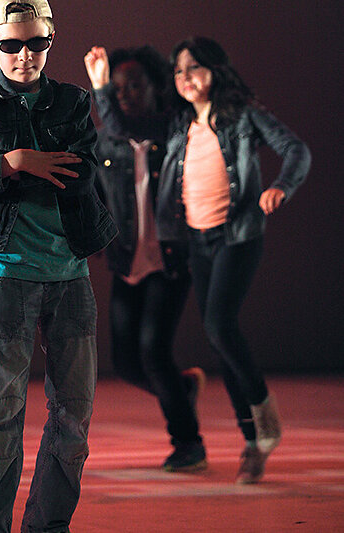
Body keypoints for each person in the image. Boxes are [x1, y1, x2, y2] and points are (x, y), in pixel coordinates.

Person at [85, 37, 311, 484]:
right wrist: (100, 87)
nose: (185, 78)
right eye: (179, 71)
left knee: (209, 332)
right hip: (180, 245)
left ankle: (245, 423)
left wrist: (280, 187)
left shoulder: (235, 117)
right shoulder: (173, 124)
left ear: (215, 70)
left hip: (220, 240)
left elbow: (295, 150)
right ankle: (246, 431)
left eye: (194, 68)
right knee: (204, 340)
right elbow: (116, 130)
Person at [0, 1, 117, 531]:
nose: (24, 55)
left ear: (51, 39)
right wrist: (15, 161)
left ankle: (48, 526)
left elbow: (80, 176)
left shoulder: (73, 100)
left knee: (74, 417)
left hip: (70, 275)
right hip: (6, 272)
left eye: (36, 43)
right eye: (11, 44)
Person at [84, 46, 207, 472]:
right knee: (126, 362)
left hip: (170, 261)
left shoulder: (173, 130)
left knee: (154, 351)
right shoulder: (105, 141)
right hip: (128, 262)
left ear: (155, 87)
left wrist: (99, 87)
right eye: (117, 89)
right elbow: (95, 196)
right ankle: (182, 390)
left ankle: (189, 443)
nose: (125, 95)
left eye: (134, 86)